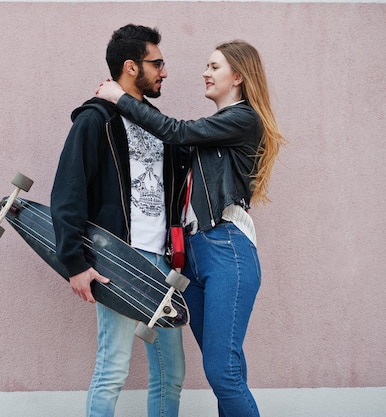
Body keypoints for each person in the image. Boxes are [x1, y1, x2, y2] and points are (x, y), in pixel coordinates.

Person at [96, 40, 285, 417]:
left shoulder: (244, 119)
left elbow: (175, 131)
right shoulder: (216, 130)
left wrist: (120, 97)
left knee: (222, 371)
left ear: (238, 77)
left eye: (214, 67)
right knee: (227, 370)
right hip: (195, 260)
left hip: (226, 248)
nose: (205, 72)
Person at [51, 24, 188, 417]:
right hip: (119, 262)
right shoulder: (94, 121)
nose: (164, 71)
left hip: (163, 264)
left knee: (171, 372)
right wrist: (75, 264)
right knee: (113, 368)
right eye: (156, 62)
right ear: (131, 67)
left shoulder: (154, 121)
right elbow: (68, 193)